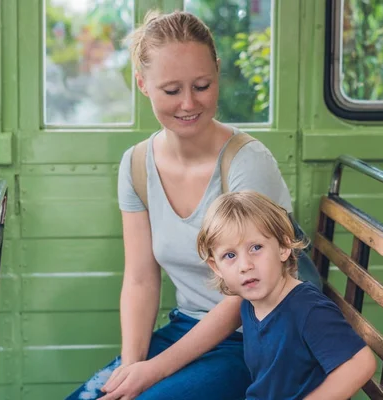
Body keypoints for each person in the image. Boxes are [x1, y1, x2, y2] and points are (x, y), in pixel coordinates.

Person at [66, 9, 318, 400]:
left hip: (255, 338)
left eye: (201, 85)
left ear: (217, 71)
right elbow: (140, 279)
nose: (188, 103)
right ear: (143, 85)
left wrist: (153, 372)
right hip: (187, 328)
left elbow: (249, 290)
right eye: (171, 90)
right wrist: (132, 365)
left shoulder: (247, 162)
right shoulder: (136, 165)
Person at [197, 191, 377, 400]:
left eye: (256, 248)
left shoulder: (307, 308)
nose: (245, 266)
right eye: (230, 255)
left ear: (283, 248)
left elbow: (360, 363)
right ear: (216, 267)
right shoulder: (249, 304)